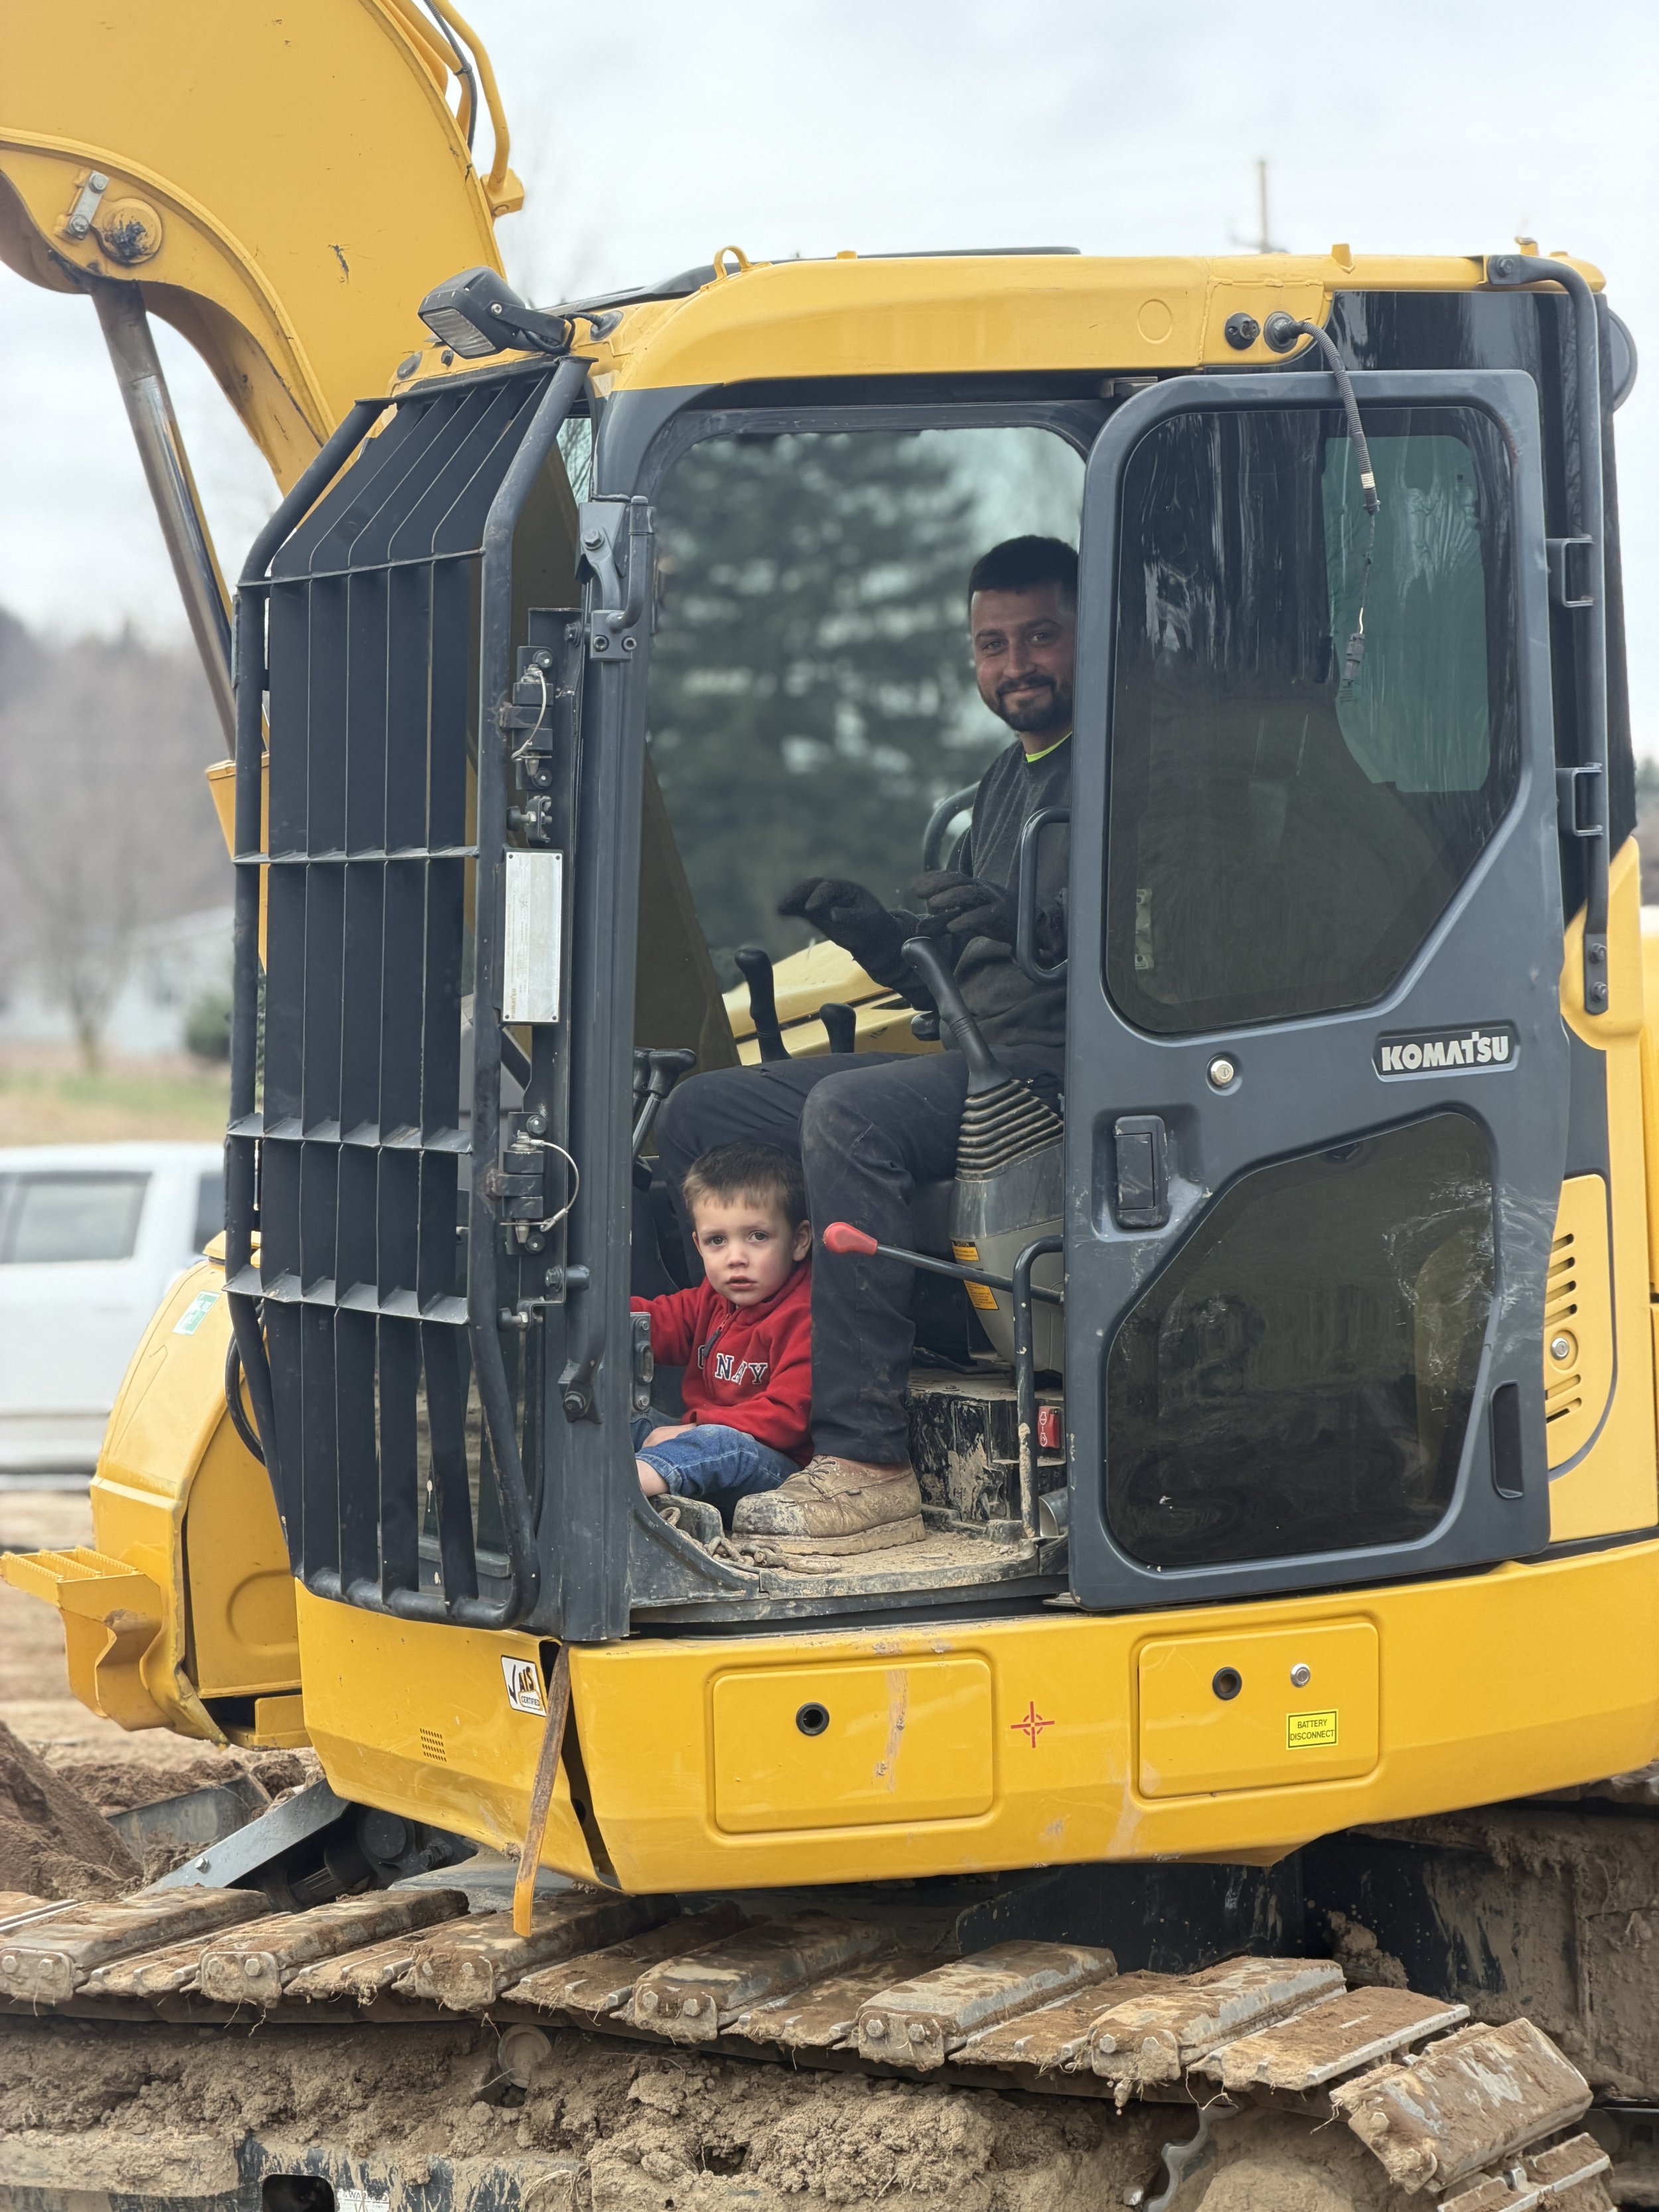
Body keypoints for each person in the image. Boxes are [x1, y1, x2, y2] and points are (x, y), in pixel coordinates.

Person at [655, 534, 1076, 1553]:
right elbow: (957, 967)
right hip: (974, 1051)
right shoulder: (1006, 775)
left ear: (1088, 635)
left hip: (1062, 1070)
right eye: (992, 644)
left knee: (849, 1115)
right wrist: (883, 937)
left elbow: (1132, 940)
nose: (1015, 664)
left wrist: (1030, 918)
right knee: (701, 1112)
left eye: (1041, 638)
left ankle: (867, 1460)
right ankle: (723, 1404)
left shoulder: (1122, 766)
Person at [630, 1140, 819, 1529]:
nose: (736, 1257)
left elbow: (788, 1418)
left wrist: (696, 1428)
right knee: (624, 1416)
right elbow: (656, 1322)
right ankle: (640, 1475)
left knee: (720, 1444)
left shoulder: (804, 1314)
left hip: (776, 1470)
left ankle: (619, 1489)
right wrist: (595, 1312)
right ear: (699, 1245)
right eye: (718, 1241)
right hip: (699, 1444)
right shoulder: (714, 1299)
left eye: (758, 1237)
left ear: (800, 1240)